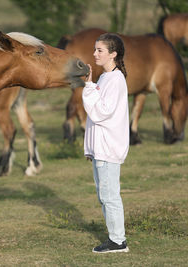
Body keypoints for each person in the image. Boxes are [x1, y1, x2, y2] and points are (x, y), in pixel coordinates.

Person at [82, 33, 129, 253]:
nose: (94, 54)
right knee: (104, 195)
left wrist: (89, 88)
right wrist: (91, 147)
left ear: (113, 54)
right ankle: (115, 237)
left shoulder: (116, 80)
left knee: (110, 196)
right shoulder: (105, 78)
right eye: (95, 49)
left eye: (99, 50)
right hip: (101, 148)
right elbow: (95, 115)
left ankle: (118, 241)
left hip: (109, 148)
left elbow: (102, 112)